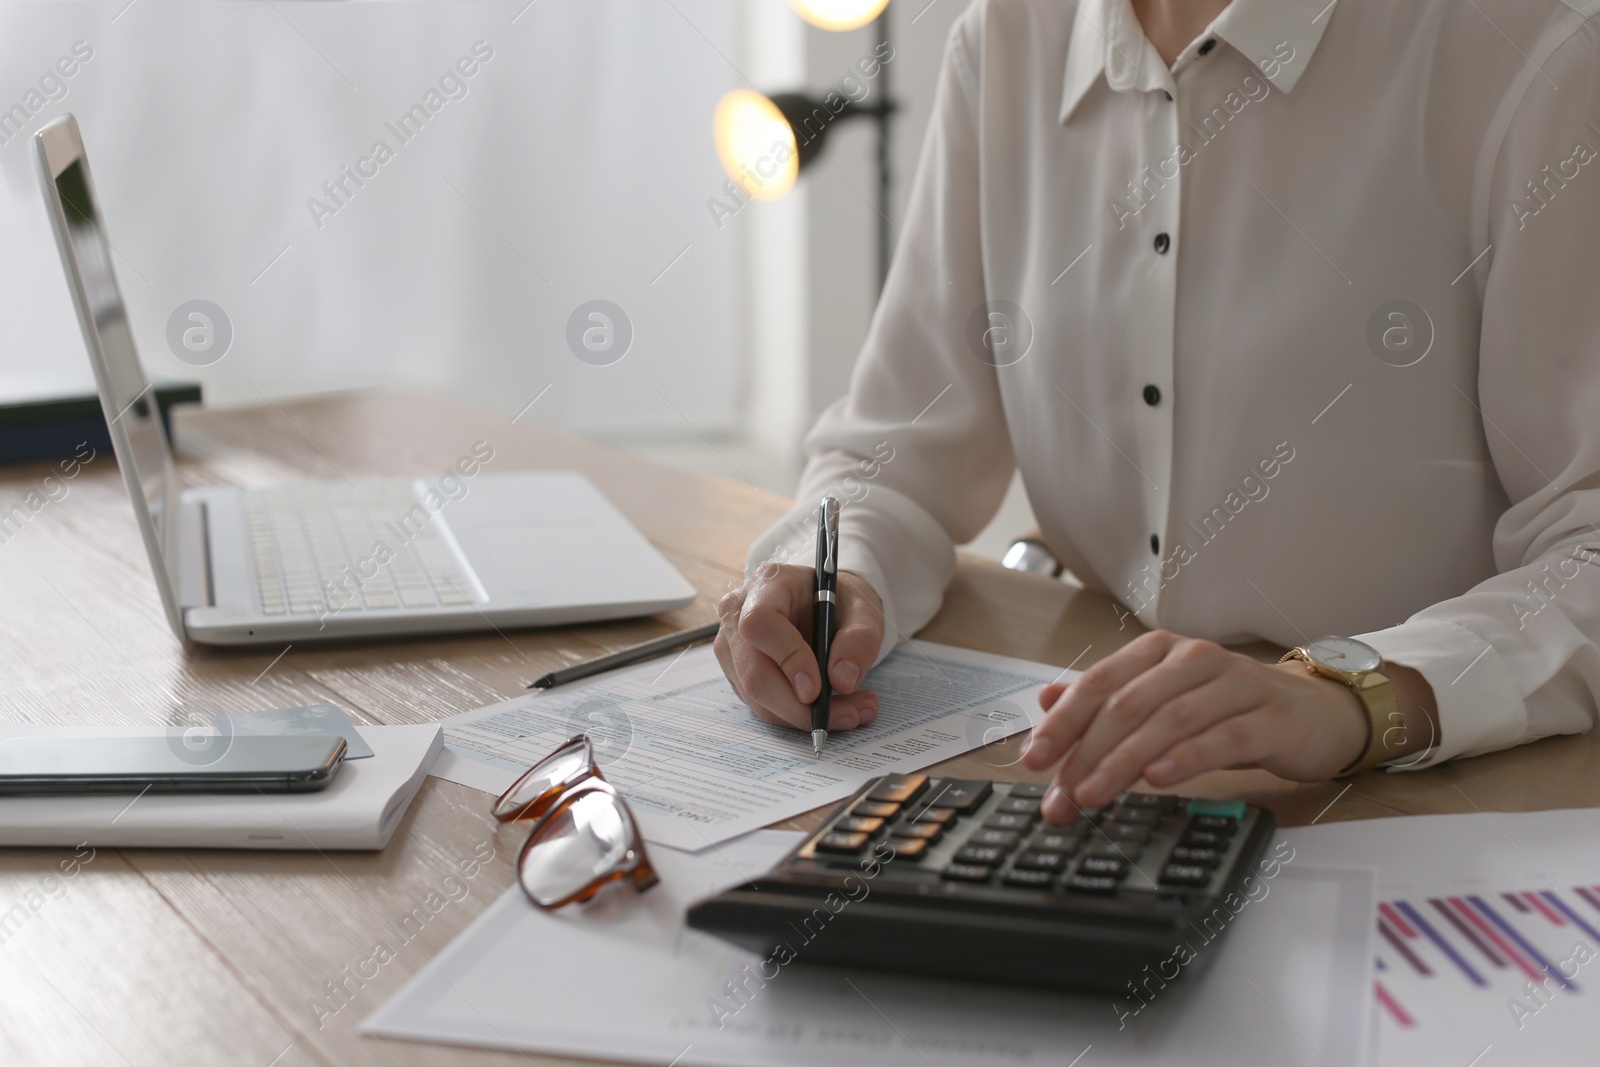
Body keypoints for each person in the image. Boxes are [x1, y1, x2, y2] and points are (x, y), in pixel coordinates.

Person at [713, 0, 1600, 824]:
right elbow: (898, 452)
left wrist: (1344, 695)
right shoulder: (1007, 36)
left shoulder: (1532, 51)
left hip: (1439, 800)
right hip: (1107, 764)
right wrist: (835, 578)